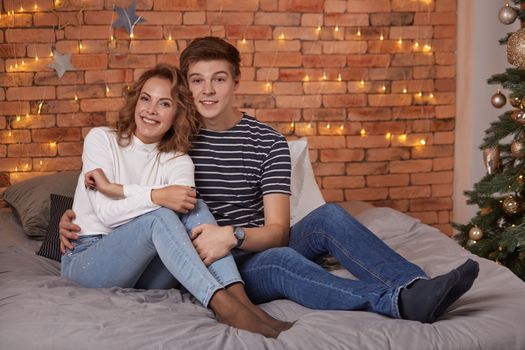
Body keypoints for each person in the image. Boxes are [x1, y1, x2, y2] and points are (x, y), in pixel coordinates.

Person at [60, 37, 480, 324]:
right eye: (197, 80)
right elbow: (118, 191)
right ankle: (395, 303)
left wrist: (233, 236)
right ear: (185, 89)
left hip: (246, 244)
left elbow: (278, 231)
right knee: (285, 264)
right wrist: (61, 225)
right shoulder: (173, 137)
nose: (208, 91)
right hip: (206, 261)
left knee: (329, 216)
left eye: (219, 79)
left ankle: (413, 285)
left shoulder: (268, 142)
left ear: (236, 82)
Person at [59, 63, 290, 338]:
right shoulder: (101, 139)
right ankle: (224, 305)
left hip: (145, 274)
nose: (150, 110)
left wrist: (118, 189)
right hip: (89, 262)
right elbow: (108, 214)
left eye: (164, 103)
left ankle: (243, 303)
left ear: (177, 113)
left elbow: (185, 209)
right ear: (136, 101)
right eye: (145, 98)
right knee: (160, 216)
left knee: (195, 206)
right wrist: (156, 195)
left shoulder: (178, 160)